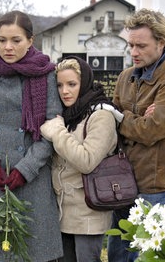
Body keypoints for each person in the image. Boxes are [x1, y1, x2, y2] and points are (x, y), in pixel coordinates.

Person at [0, 10, 63, 262]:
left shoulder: (47, 75)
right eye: (2, 40)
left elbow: (52, 130)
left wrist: (25, 169)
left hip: (32, 178)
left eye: (16, 40)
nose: (8, 46)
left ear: (30, 40)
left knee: (31, 252)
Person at [107, 8, 165, 262]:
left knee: (147, 257)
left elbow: (152, 130)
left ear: (161, 43)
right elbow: (112, 121)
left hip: (159, 185)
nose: (133, 52)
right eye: (131, 45)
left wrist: (125, 117)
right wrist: (137, 117)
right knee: (118, 256)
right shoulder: (125, 77)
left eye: (141, 46)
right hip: (124, 182)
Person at [40, 57, 123, 262]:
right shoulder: (69, 114)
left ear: (84, 82)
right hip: (63, 211)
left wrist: (58, 132)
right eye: (59, 85)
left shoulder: (101, 115)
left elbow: (87, 160)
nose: (64, 91)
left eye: (72, 84)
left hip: (89, 212)